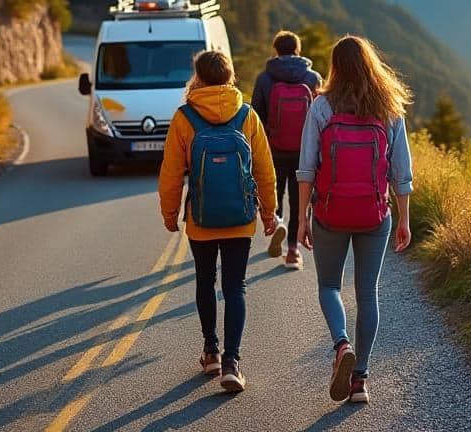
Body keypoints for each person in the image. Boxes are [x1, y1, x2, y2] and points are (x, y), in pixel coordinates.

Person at [297, 35, 414, 404]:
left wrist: (301, 218)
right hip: (374, 214)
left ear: (335, 66)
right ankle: (360, 379)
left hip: (330, 213)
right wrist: (404, 220)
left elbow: (306, 168)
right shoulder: (388, 106)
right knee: (367, 293)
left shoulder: (322, 107)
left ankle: (341, 344)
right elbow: (401, 172)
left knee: (329, 286)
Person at [159, 50, 277, 393]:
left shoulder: (184, 117)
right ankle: (232, 362)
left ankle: (210, 352)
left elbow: (171, 173)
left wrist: (170, 214)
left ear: (198, 78)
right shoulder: (246, 114)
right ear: (230, 77)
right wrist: (268, 212)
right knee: (235, 287)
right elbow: (264, 169)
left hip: (201, 219)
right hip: (240, 218)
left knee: (205, 281)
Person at [251, 30, 323, 270]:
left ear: (276, 50)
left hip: (273, 148)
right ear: (298, 50)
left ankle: (277, 223)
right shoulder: (313, 78)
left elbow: (256, 115)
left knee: (274, 190)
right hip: (305, 150)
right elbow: (322, 116)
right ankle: (293, 251)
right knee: (298, 199)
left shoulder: (264, 78)